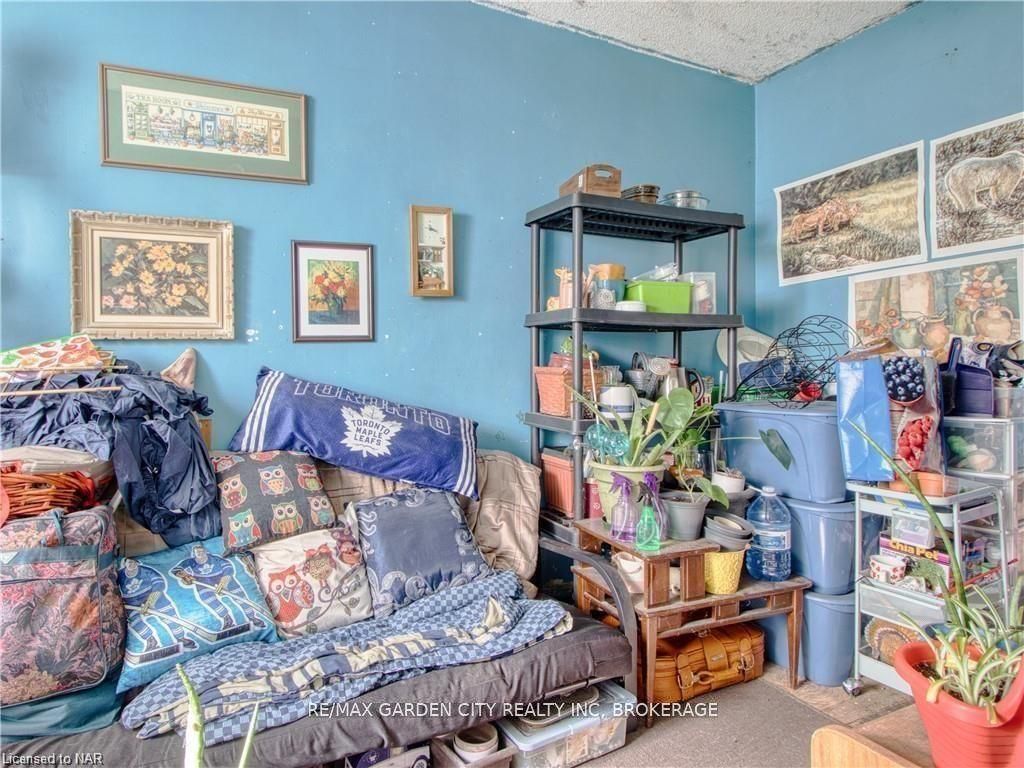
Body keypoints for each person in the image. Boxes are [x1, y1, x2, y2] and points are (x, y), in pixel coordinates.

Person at [171, 544, 267, 630]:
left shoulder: (214, 559)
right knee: (207, 598)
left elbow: (227, 567)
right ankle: (227, 619)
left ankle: (252, 617)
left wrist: (225, 580)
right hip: (202, 580)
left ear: (206, 552)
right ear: (194, 554)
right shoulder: (190, 562)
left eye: (202, 552)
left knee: (240, 596)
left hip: (221, 576)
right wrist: (184, 575)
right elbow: (176, 569)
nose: (200, 554)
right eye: (197, 553)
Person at [119, 559, 197, 653]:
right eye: (129, 562)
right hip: (132, 601)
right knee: (134, 619)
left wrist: (150, 601)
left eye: (134, 562)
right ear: (125, 564)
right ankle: (151, 640)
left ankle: (181, 637)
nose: (132, 564)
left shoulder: (146, 571)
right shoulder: (120, 574)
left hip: (151, 594)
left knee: (168, 612)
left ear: (137, 563)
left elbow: (159, 583)